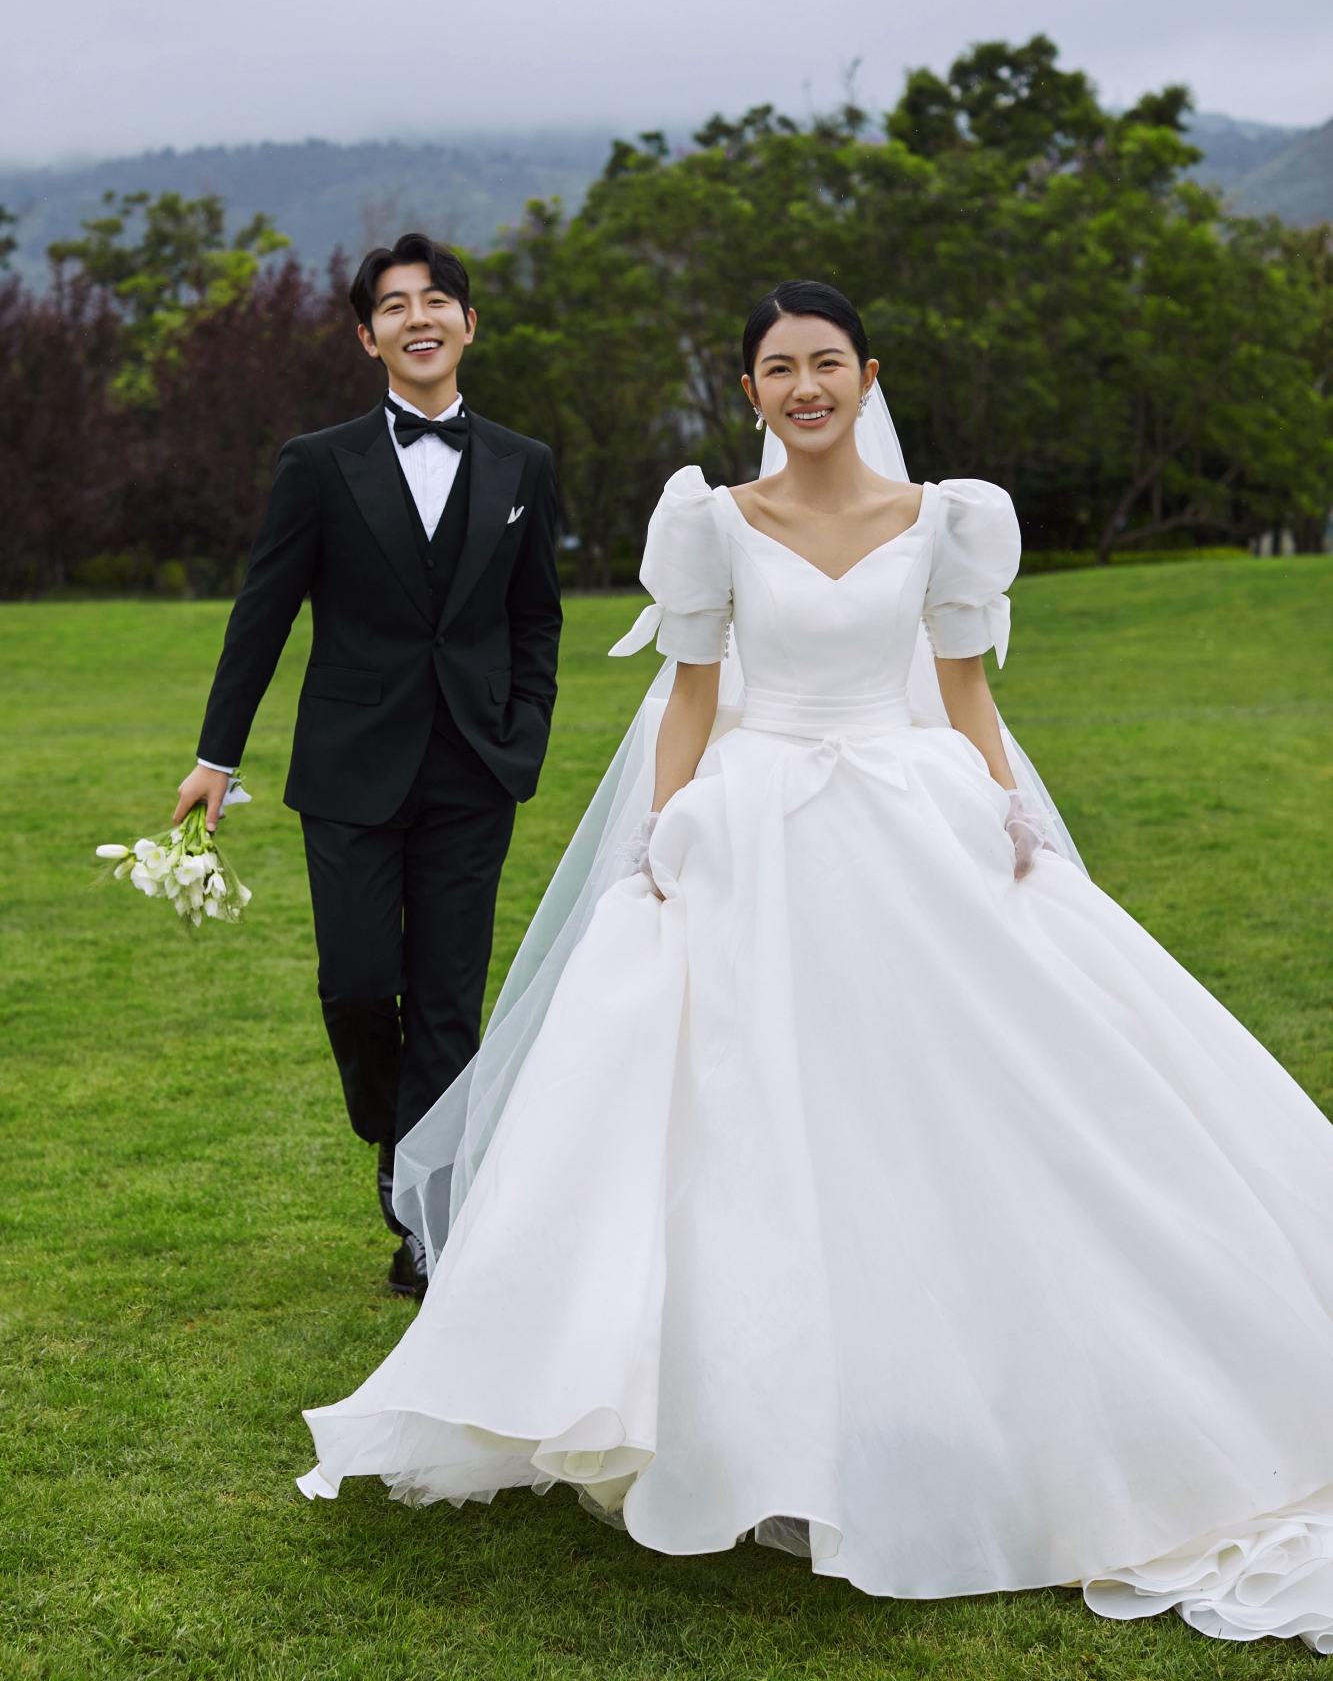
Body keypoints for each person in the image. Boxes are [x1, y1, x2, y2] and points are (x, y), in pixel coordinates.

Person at [296, 281, 1333, 1655]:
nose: (804, 387)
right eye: (778, 368)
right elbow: (691, 697)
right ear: (750, 392)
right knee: (746, 1113)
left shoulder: (947, 519)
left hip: (912, 815)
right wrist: (656, 837)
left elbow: (965, 693)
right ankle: (751, 1410)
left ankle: (965, 1382)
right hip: (756, 822)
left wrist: (1008, 810)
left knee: (956, 1096)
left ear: (866, 375)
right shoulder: (712, 522)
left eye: (826, 362)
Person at [175, 233, 561, 1300]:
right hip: (348, 771)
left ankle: (426, 1215)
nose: (417, 318)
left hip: (474, 770)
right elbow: (262, 615)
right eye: (394, 305)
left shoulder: (524, 464)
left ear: (468, 324)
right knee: (355, 984)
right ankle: (397, 1132)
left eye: (436, 301)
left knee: (447, 999)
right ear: (367, 336)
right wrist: (216, 756)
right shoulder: (317, 463)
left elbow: (536, 616)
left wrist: (524, 730)